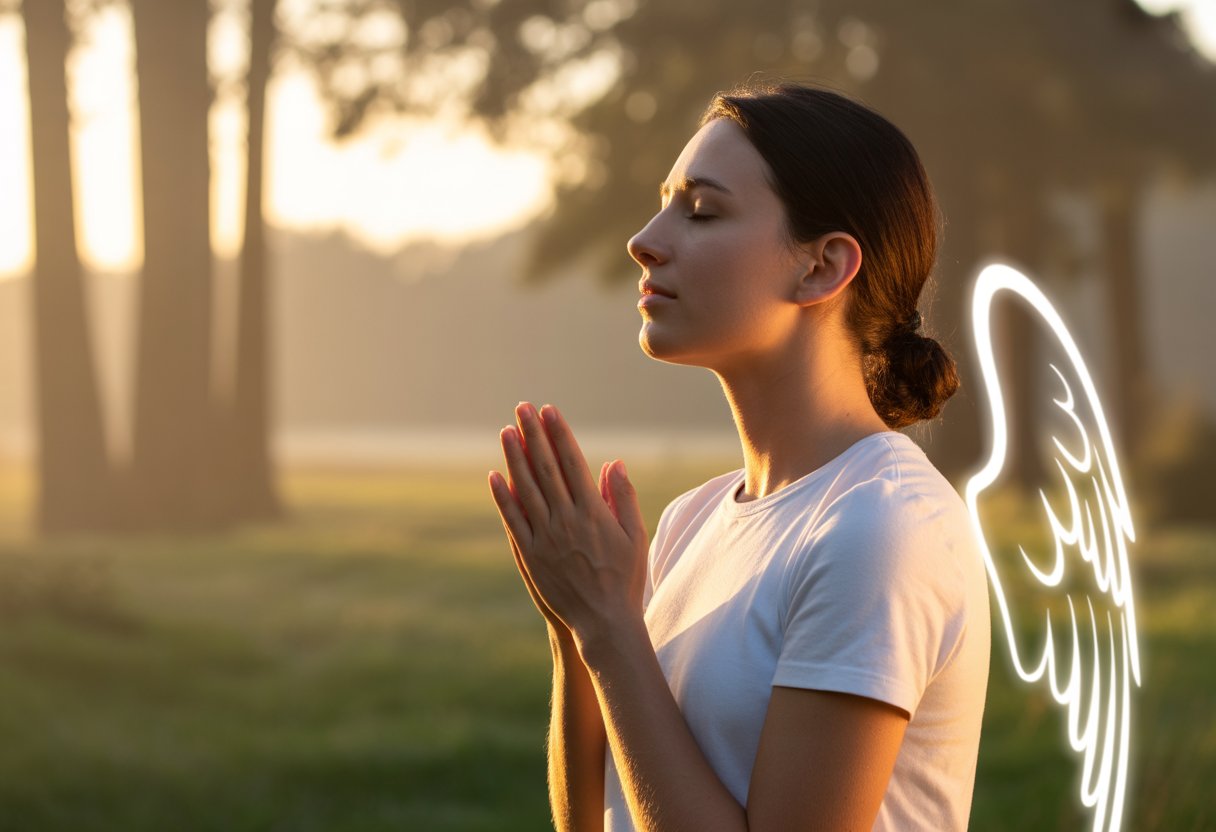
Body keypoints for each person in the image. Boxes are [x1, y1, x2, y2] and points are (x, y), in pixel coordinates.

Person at [487, 80, 991, 831]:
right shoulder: (695, 520)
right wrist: (577, 631)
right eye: (664, 203)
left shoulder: (880, 529)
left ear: (821, 267)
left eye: (701, 211)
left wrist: (610, 629)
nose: (645, 239)